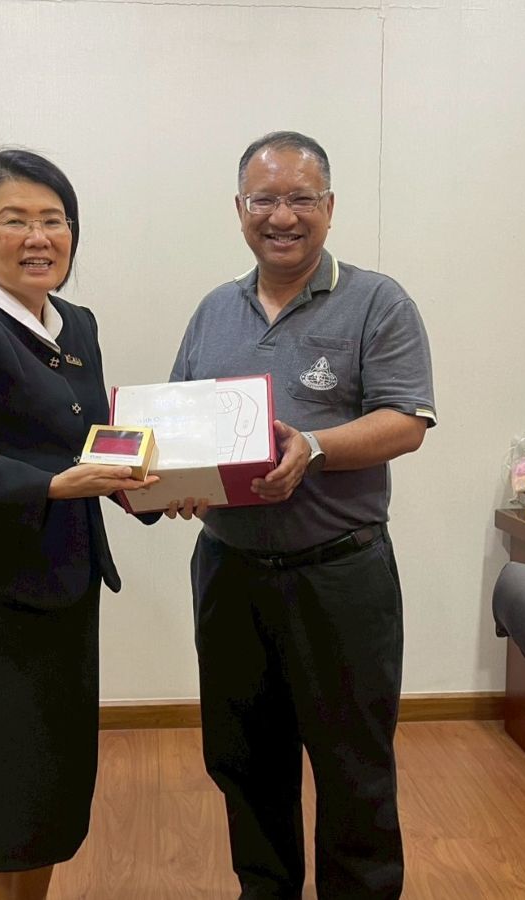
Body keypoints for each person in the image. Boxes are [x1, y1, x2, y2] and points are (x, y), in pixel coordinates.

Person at [168, 131, 436, 899]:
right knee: (244, 761)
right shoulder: (214, 311)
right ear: (239, 209)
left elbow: (407, 421)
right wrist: (174, 478)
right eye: (264, 200)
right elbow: (182, 424)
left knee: (354, 767)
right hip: (230, 575)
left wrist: (313, 447)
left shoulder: (378, 301)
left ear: (329, 206)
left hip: (340, 575)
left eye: (300, 199)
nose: (281, 216)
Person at [0, 149, 157, 900]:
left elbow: (95, 443)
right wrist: (48, 485)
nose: (39, 237)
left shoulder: (76, 323)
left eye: (55, 220)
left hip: (68, 585)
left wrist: (157, 487)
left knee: (50, 794)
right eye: (15, 220)